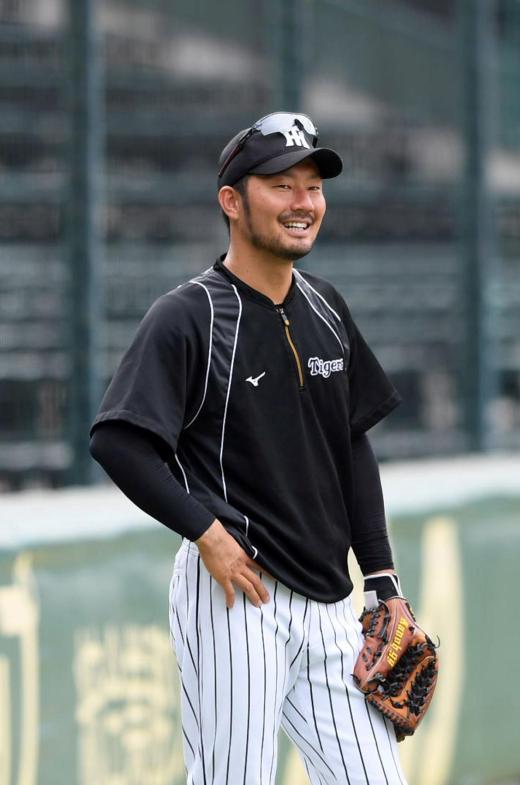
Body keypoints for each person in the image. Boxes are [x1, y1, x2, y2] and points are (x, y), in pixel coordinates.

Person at [90, 112, 409, 784]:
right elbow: (118, 441)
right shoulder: (190, 315)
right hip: (237, 592)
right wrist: (204, 532)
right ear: (232, 201)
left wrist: (381, 577)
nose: (304, 202)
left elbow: (351, 444)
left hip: (330, 601)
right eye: (282, 185)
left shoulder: (327, 307)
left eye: (314, 186)